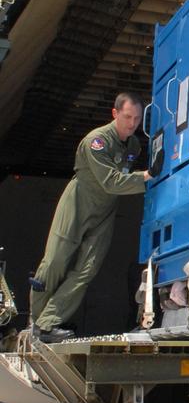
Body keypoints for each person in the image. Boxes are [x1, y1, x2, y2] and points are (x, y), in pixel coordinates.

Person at [30, 93, 151, 342]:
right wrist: (147, 176)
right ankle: (36, 319)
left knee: (87, 269)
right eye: (128, 117)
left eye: (137, 119)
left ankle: (48, 322)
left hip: (104, 212)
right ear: (115, 114)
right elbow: (111, 181)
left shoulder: (133, 146)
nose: (132, 123)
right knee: (54, 263)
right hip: (78, 204)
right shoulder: (97, 141)